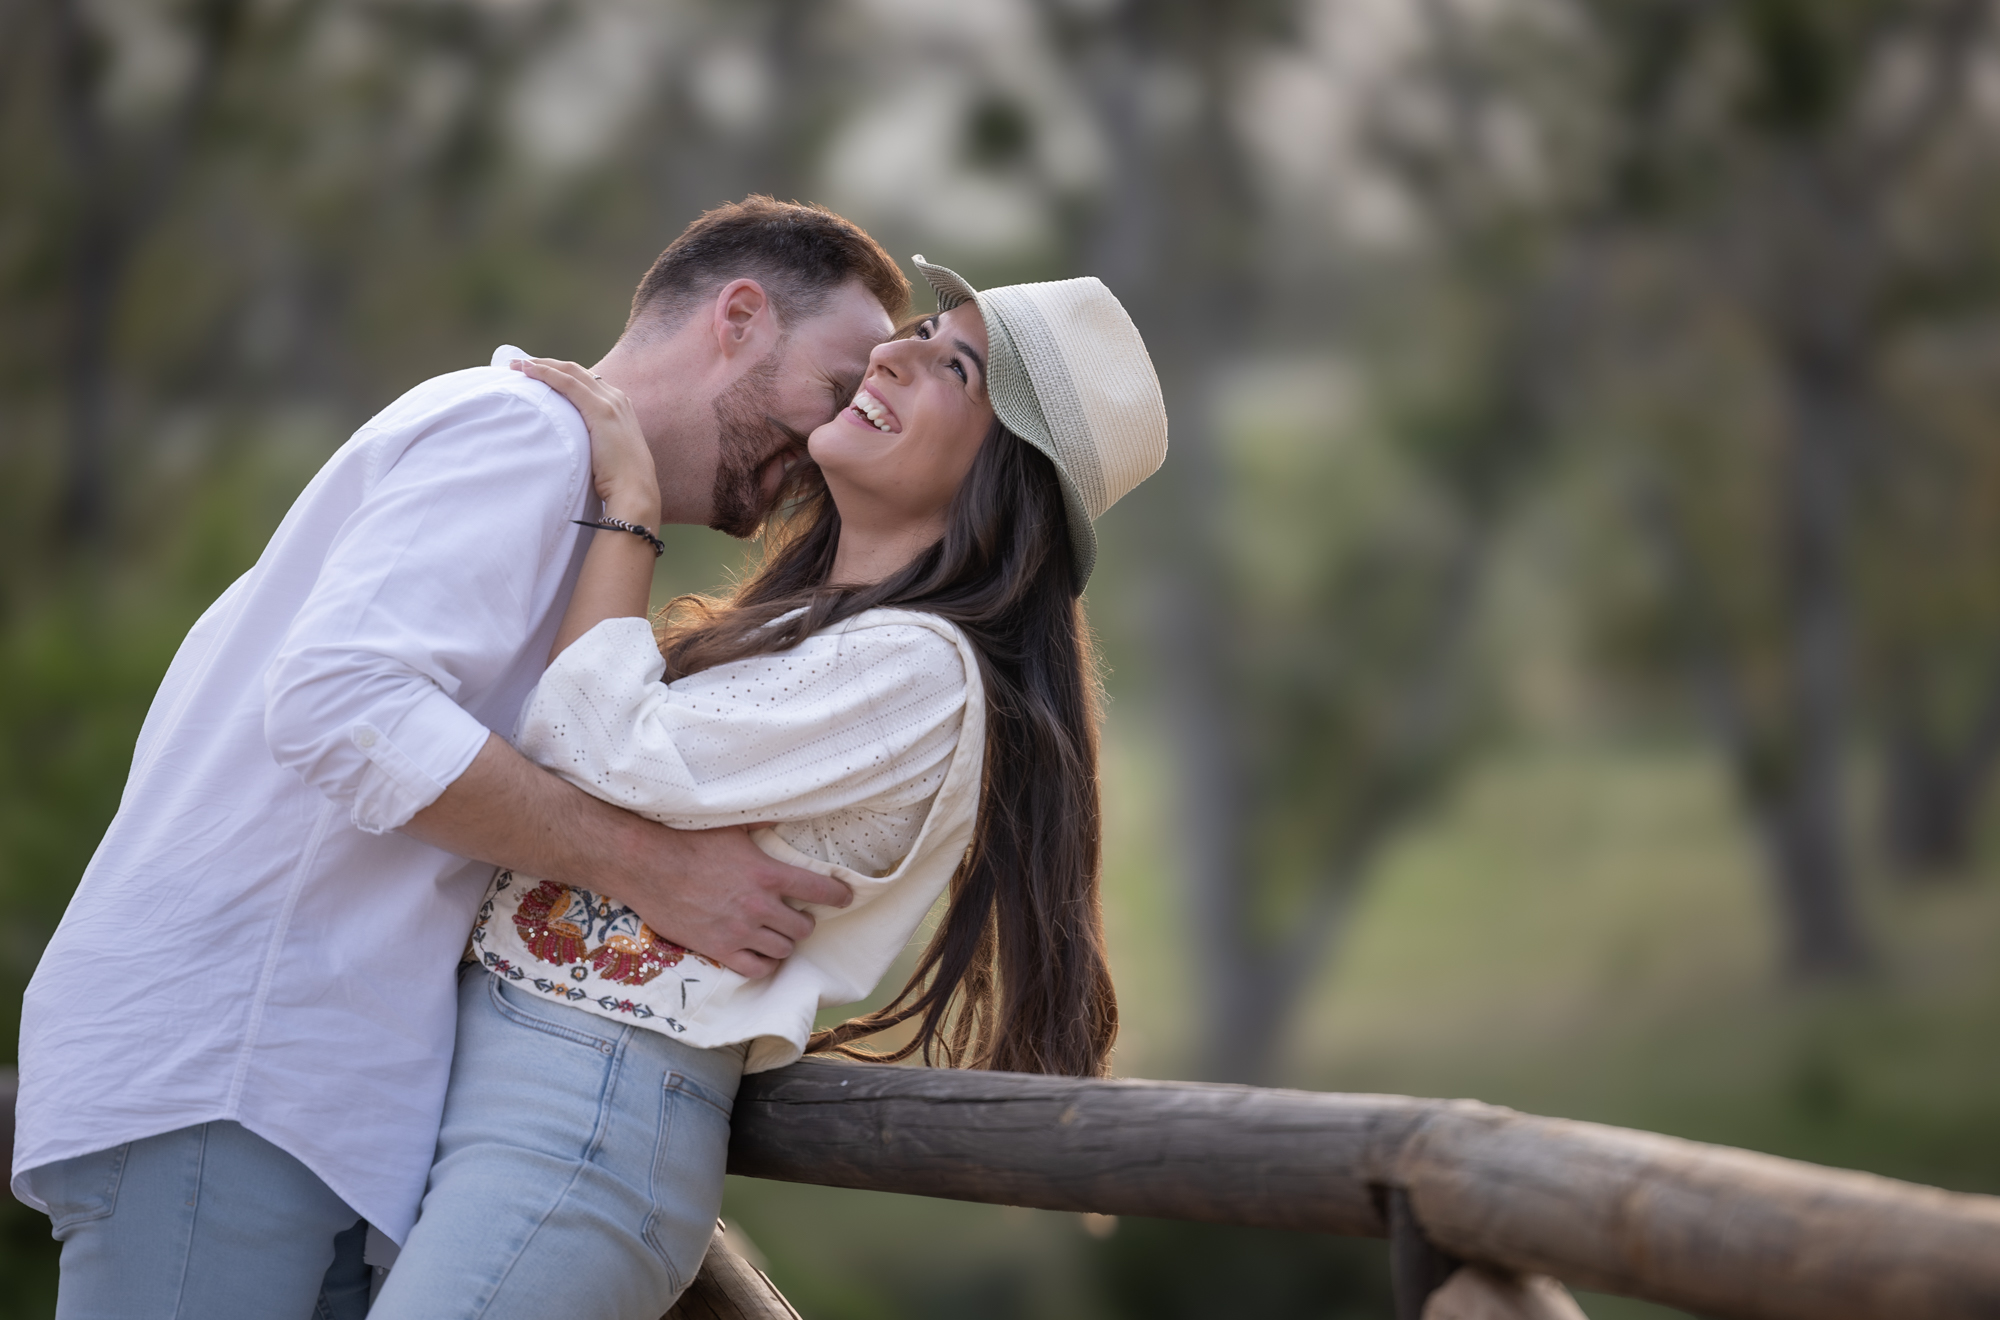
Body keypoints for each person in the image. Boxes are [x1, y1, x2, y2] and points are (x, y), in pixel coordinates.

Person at [11, 197, 909, 1320]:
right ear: (738, 317)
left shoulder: (574, 497)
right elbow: (342, 704)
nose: (828, 441)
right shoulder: (522, 433)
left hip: (301, 1101)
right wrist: (651, 871)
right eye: (836, 385)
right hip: (234, 1080)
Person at [365, 257, 1168, 1318]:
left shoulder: (920, 671)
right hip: (493, 1080)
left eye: (953, 369)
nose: (892, 351)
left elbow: (589, 739)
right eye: (919, 331)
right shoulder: (807, 636)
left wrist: (630, 504)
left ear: (1002, 475)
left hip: (583, 1101)